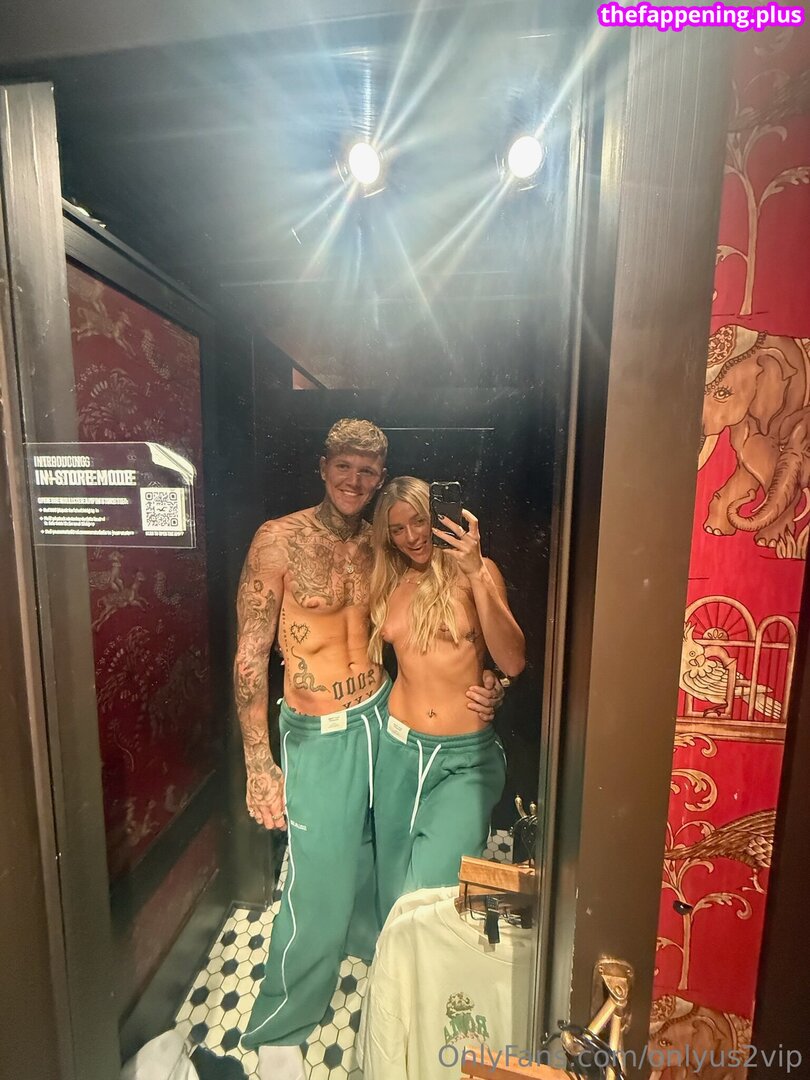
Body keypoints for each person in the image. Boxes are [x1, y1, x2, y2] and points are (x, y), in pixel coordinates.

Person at [233, 420, 501, 1077]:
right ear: (323, 465)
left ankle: (378, 973)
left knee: (381, 860)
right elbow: (249, 657)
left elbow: (446, 624)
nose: (355, 480)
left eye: (368, 471)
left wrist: (490, 682)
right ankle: (282, 1025)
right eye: (344, 466)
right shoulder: (278, 540)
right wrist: (259, 764)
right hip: (321, 731)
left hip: (385, 718)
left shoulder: (385, 545)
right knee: (317, 880)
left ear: (382, 478)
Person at [368, 476, 525, 922]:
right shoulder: (389, 580)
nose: (412, 537)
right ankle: (390, 965)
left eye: (419, 521)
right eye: (398, 529)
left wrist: (476, 571)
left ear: (436, 517)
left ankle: (427, 966)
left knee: (430, 894)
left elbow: (512, 661)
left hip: (465, 757)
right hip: (397, 750)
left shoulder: (476, 572)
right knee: (391, 884)